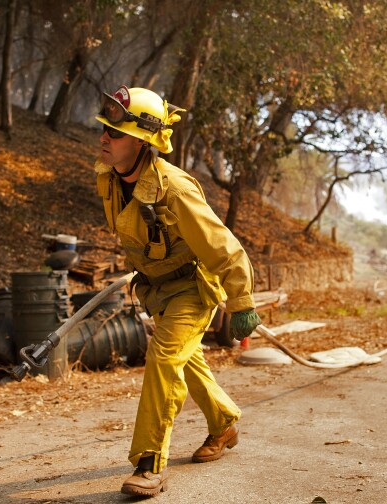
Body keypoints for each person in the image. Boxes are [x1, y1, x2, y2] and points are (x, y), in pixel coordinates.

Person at [94, 85, 261, 497]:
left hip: (192, 287)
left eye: (114, 133)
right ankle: (224, 424)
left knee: (165, 357)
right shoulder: (109, 179)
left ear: (142, 141)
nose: (103, 138)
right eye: (103, 129)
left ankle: (149, 462)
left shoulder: (176, 189)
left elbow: (225, 247)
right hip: (156, 290)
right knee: (187, 361)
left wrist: (242, 302)